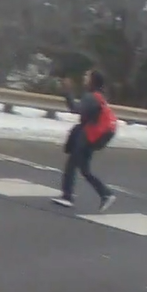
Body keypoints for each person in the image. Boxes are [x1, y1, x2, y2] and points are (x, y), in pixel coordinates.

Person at [51, 69, 118, 211]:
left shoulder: (91, 97)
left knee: (71, 165)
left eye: (87, 76)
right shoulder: (100, 96)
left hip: (87, 136)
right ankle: (105, 193)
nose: (84, 78)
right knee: (84, 169)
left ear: (93, 80)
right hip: (92, 136)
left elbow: (76, 109)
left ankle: (67, 197)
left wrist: (68, 91)